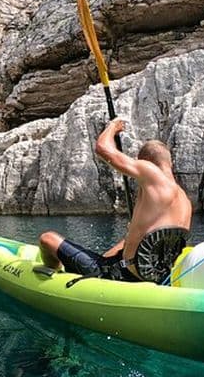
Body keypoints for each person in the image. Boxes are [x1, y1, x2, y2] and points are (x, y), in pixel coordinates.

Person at [39, 118, 193, 283]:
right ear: (170, 163)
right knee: (121, 244)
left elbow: (102, 148)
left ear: (145, 162)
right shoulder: (185, 202)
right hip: (157, 275)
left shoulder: (151, 172)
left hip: (125, 276)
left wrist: (113, 126)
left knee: (47, 239)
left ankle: (56, 280)